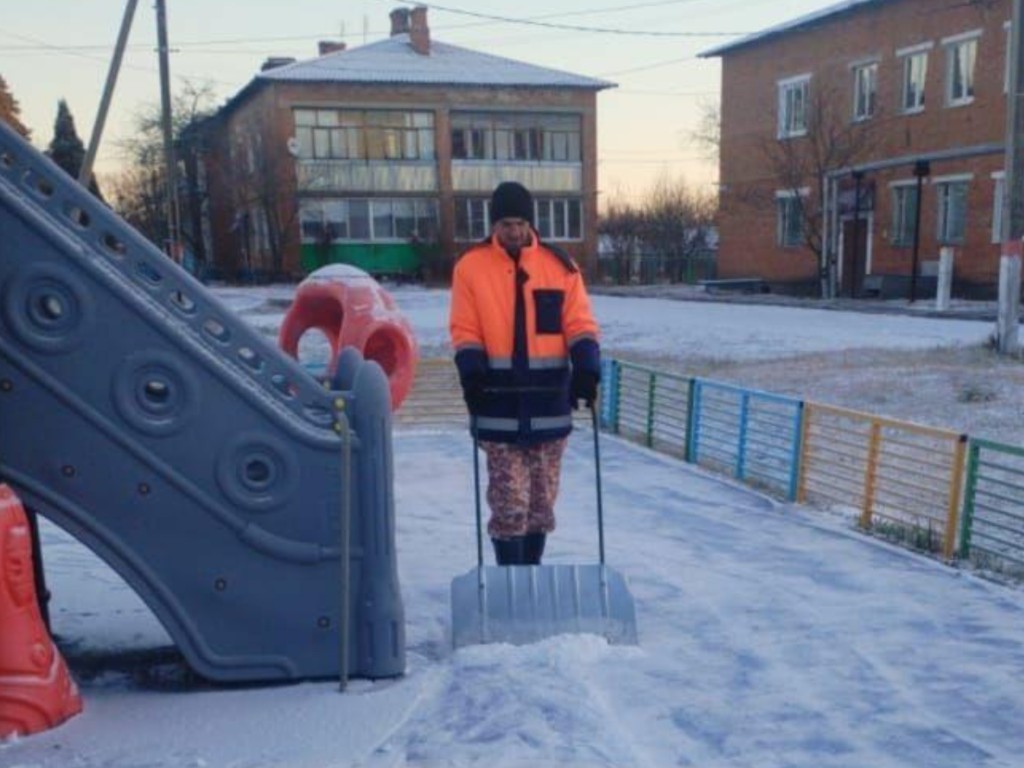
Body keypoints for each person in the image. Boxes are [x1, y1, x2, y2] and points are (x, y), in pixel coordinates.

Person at [449, 181, 601, 566]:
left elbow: (580, 323)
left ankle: (530, 576)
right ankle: (509, 580)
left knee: (540, 504)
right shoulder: (471, 267)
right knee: (509, 502)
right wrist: (471, 375)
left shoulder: (560, 267)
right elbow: (465, 330)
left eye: (519, 222)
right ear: (493, 225)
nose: (513, 231)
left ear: (531, 223)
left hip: (549, 404)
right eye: (505, 224)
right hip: (497, 404)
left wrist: (587, 366)